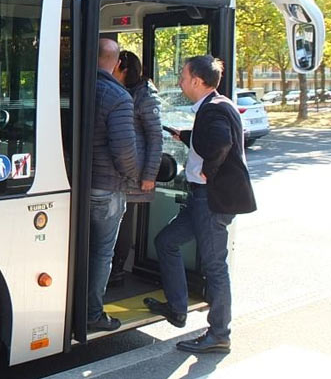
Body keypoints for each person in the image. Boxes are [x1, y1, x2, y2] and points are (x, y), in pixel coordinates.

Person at [145, 55, 256, 354]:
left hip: (210, 199)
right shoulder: (218, 105)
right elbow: (220, 138)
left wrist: (209, 169)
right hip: (202, 199)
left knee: (214, 267)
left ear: (197, 80)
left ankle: (219, 333)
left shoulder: (214, 109)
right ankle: (178, 308)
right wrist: (189, 137)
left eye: (183, 76)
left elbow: (221, 143)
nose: (180, 81)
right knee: (166, 241)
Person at [88, 38, 139, 332]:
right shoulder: (118, 97)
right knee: (101, 253)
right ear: (117, 63)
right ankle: (93, 313)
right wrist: (132, 177)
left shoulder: (75, 85)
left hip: (77, 184)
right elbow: (124, 151)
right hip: (107, 188)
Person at [111, 51, 162, 279]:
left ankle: (118, 269)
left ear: (121, 67)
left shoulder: (144, 96)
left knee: (123, 222)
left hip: (134, 171)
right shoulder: (120, 92)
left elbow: (155, 137)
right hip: (118, 169)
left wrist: (149, 175)